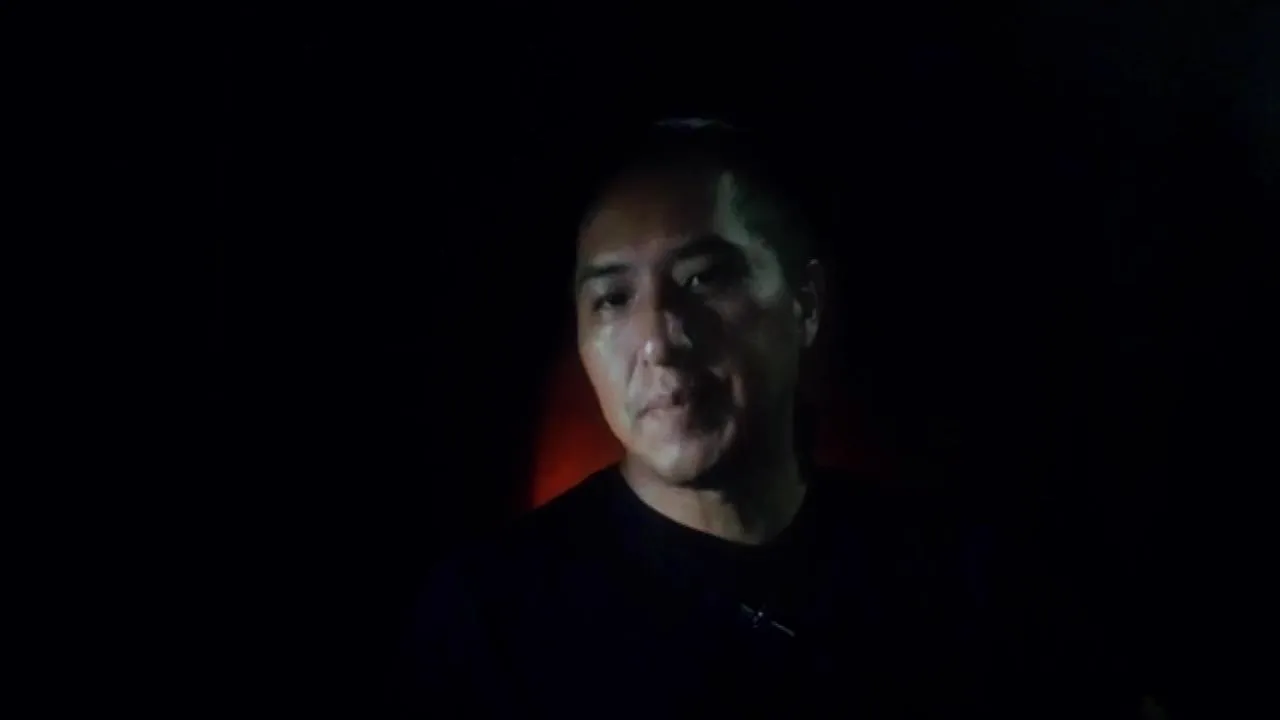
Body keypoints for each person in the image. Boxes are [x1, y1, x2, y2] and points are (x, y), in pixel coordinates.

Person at [403, 119, 1150, 717]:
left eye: (704, 278)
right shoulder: (490, 618)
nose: (659, 338)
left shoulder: (964, 585)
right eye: (613, 298)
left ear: (805, 304)